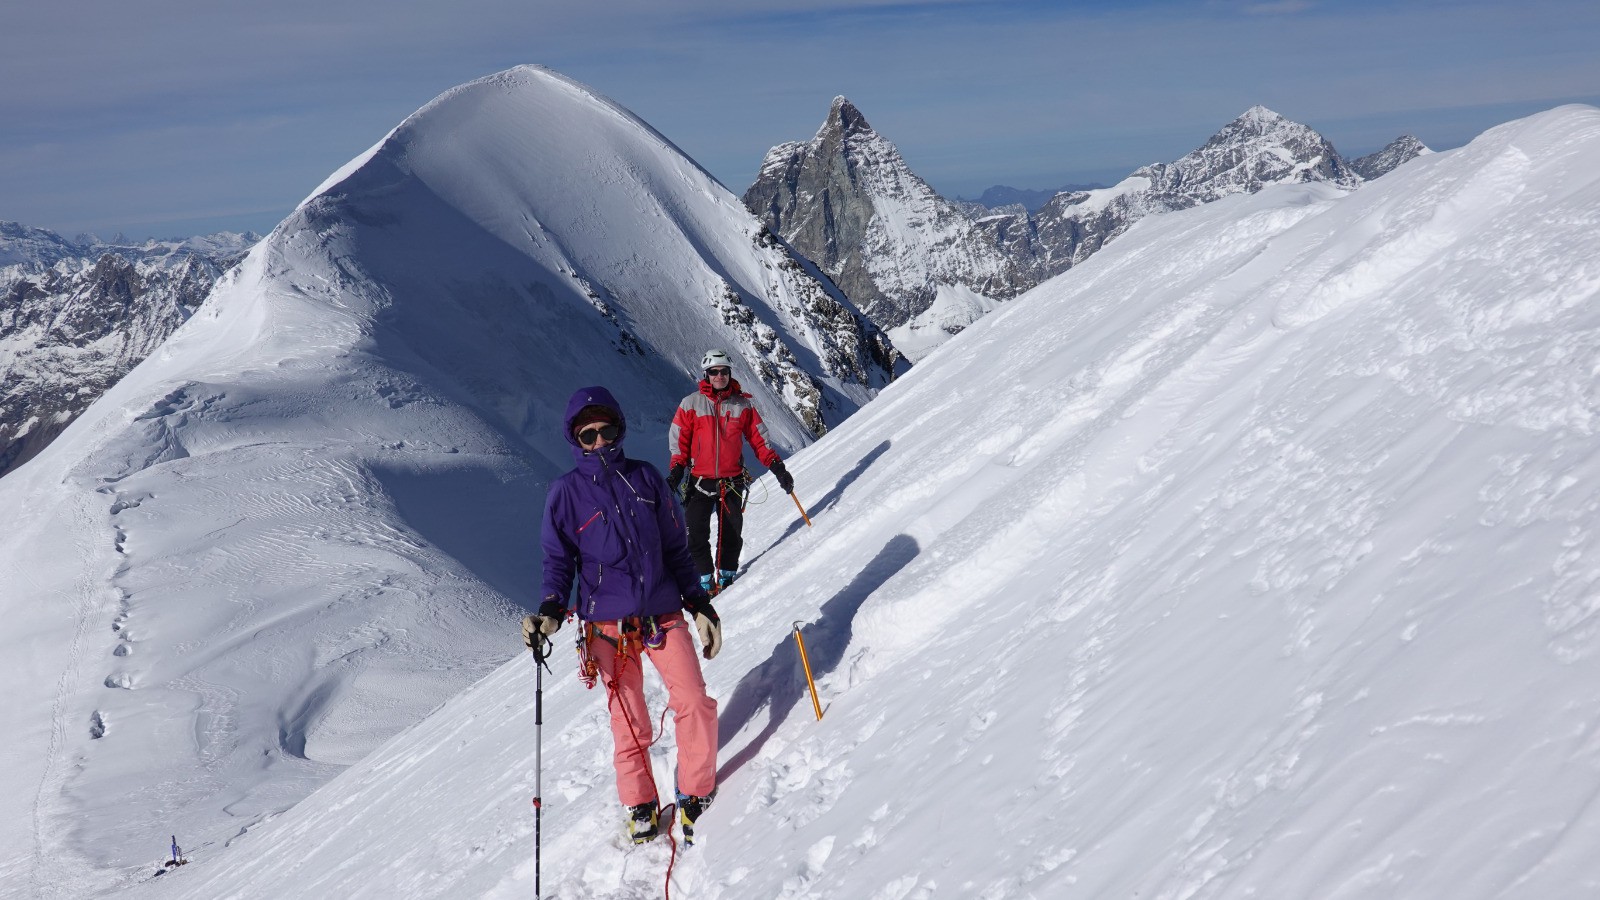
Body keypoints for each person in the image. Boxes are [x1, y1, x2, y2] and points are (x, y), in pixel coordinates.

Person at [523, 386, 722, 844]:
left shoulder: (647, 479)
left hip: (663, 613)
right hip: (608, 628)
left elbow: (675, 547)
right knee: (629, 721)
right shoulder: (565, 494)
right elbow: (559, 561)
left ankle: (696, 790)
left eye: (606, 430)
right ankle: (640, 802)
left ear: (619, 429)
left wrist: (700, 604)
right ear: (574, 439)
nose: (599, 441)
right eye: (587, 434)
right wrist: (551, 608)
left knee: (692, 699)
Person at [667, 350, 795, 593]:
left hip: (731, 481)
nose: (719, 376)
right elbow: (679, 441)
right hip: (699, 482)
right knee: (695, 534)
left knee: (732, 535)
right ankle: (704, 581)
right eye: (714, 372)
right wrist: (676, 470)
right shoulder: (691, 404)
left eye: (724, 371)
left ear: (729, 374)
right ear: (706, 375)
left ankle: (726, 579)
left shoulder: (742, 405)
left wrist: (778, 468)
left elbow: (759, 439)